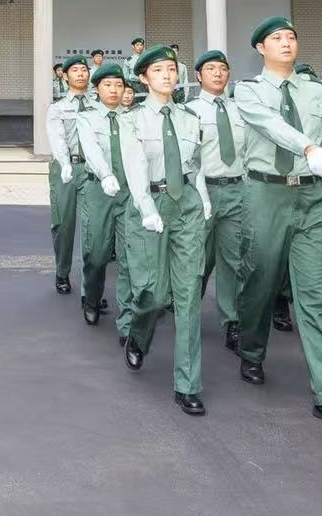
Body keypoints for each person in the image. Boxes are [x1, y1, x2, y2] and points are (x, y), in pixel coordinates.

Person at [231, 16, 322, 431]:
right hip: (265, 192)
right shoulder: (249, 90)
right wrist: (307, 147)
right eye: (277, 38)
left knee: (317, 292)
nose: (286, 43)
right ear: (260, 48)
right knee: (260, 278)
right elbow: (270, 125)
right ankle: (252, 349)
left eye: (291, 36)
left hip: (311, 195)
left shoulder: (316, 91)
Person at [116, 47, 212, 416]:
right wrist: (146, 207)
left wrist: (202, 199)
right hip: (149, 206)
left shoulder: (188, 118)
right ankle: (139, 334)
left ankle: (188, 384)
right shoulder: (133, 119)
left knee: (187, 294)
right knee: (152, 295)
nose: (167, 76)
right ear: (144, 77)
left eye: (172, 69)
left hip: (185, 204)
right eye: (158, 70)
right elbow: (135, 167)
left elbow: (194, 166)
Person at [187, 50, 251, 355]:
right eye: (210, 68)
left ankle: (233, 321)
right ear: (198, 76)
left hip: (237, 191)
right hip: (203, 192)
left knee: (234, 260)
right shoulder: (189, 112)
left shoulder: (241, 110)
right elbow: (189, 159)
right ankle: (185, 311)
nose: (217, 73)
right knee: (197, 257)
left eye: (223, 68)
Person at [73, 62, 135, 328]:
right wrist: (106, 175)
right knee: (96, 254)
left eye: (119, 85)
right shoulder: (86, 117)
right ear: (97, 89)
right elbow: (92, 150)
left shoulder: (133, 118)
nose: (114, 90)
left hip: (129, 191)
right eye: (108, 85)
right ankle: (92, 297)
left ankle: (127, 320)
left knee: (129, 256)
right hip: (98, 189)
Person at [47, 55, 94, 296]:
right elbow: (57, 139)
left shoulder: (98, 104)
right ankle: (62, 271)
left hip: (92, 170)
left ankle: (91, 285)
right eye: (74, 70)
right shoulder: (58, 108)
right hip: (66, 169)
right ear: (65, 76)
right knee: (64, 224)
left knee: (93, 227)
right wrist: (65, 164)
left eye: (84, 69)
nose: (80, 73)